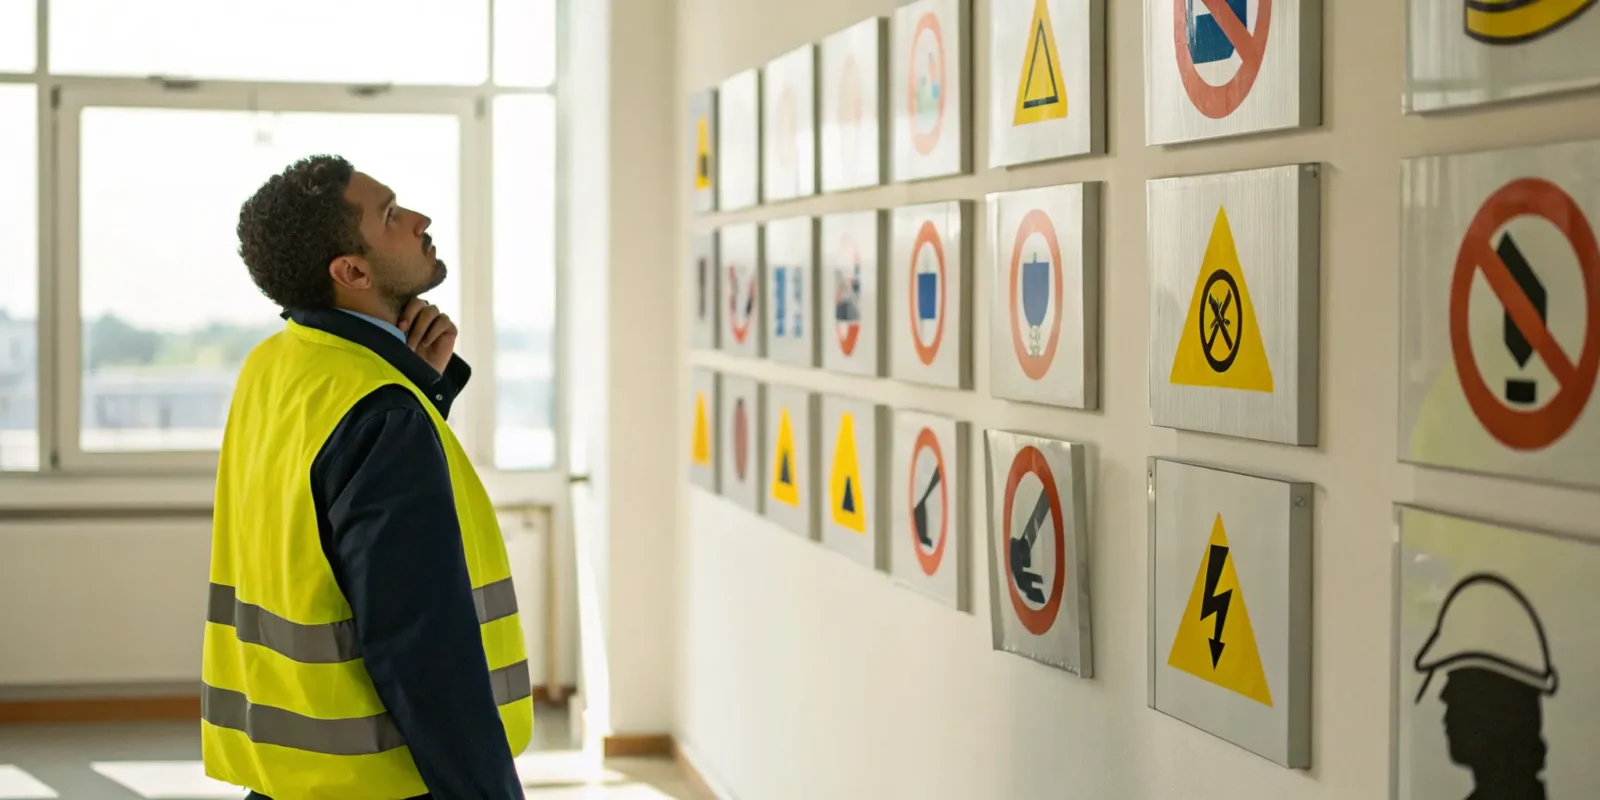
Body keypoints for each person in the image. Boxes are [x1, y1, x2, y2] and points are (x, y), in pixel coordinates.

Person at [201, 155, 532, 799]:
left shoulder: (274, 365)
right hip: (382, 781)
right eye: (391, 216)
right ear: (350, 271)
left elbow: (323, 529)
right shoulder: (381, 414)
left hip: (290, 775)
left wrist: (416, 388)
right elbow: (423, 649)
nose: (420, 221)